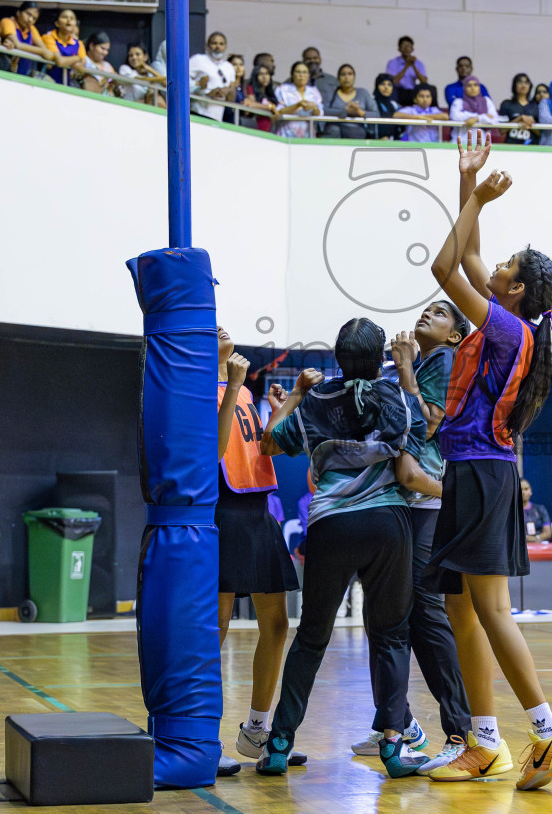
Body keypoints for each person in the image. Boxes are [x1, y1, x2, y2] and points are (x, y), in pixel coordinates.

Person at [422, 139, 552, 789]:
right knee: (461, 609)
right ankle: (484, 743)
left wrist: (477, 199)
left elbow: (444, 264)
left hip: (483, 474)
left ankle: (547, 731)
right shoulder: (509, 322)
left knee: (491, 611)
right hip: (474, 471)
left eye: (506, 265)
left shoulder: (504, 326)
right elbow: (469, 255)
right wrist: (467, 184)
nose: (496, 264)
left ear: (513, 290)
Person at [256, 319, 441, 779]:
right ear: (379, 356)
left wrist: (294, 396)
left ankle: (279, 744)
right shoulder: (397, 396)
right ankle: (395, 748)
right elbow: (426, 428)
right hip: (388, 525)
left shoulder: (316, 399)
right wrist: (405, 370)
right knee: (391, 637)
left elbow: (268, 443)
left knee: (311, 638)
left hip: (330, 526)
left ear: (337, 358)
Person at [350, 301, 475, 770]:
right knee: (385, 616)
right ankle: (397, 722)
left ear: (455, 334)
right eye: (425, 310)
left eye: (440, 313)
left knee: (426, 612)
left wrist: (403, 369)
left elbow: (430, 421)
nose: (427, 314)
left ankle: (463, 732)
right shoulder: (414, 362)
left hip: (428, 503)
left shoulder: (443, 359)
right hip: (399, 503)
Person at [213, 327, 301, 775]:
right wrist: (230, 387)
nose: (223, 328)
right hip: (222, 512)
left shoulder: (245, 390)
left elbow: (266, 445)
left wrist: (288, 403)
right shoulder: (198, 388)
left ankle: (257, 730)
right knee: (218, 628)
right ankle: (201, 738)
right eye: (213, 329)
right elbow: (211, 447)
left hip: (257, 512)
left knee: (278, 623)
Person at [323, 63, 379, 139]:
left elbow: (376, 114)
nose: (347, 77)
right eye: (343, 74)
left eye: (350, 74)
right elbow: (324, 111)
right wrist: (344, 111)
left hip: (358, 133)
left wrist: (360, 112)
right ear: (338, 79)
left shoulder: (363, 93)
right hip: (335, 134)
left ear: (354, 77)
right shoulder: (332, 93)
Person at [0, 1, 56, 77]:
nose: (30, 19)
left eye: (34, 18)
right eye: (28, 14)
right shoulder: (7, 22)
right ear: (18, 12)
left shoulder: (32, 29)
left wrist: (45, 52)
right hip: (5, 74)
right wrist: (42, 52)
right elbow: (18, 45)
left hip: (24, 75)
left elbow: (44, 49)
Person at [191, 32, 237, 120]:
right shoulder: (198, 59)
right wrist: (204, 90)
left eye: (221, 44)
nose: (218, 47)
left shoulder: (229, 67)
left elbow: (232, 92)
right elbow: (183, 81)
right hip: (198, 112)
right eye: (214, 43)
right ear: (207, 45)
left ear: (225, 46)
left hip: (218, 115)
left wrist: (226, 91)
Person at [275, 60, 324, 138]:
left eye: (305, 72)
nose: (301, 75)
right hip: (286, 134)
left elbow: (320, 113)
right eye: (298, 72)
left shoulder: (314, 91)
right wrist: (298, 105)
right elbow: (279, 111)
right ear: (292, 74)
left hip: (308, 134)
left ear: (308, 75)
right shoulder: (283, 89)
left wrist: (314, 108)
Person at [449, 75, 501, 142]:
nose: (473, 88)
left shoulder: (486, 101)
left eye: (476, 85)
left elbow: (495, 119)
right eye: (469, 85)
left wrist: (477, 118)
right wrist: (482, 116)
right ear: (464, 88)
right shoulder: (458, 102)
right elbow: (455, 117)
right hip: (461, 140)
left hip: (482, 141)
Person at [41, 10, 84, 86]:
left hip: (66, 86)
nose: (69, 20)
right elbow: (60, 61)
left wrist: (67, 61)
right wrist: (77, 57)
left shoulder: (79, 44)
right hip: (46, 84)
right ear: (57, 23)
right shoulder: (48, 38)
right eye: (65, 17)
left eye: (72, 18)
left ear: (75, 25)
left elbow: (81, 66)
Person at [386, 35, 430, 105]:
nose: (406, 48)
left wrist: (413, 65)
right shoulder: (393, 62)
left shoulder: (418, 63)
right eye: (404, 46)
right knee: (391, 89)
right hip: (398, 90)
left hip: (413, 91)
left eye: (409, 46)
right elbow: (393, 82)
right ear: (399, 49)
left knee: (429, 89)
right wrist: (406, 66)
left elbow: (424, 81)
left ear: (412, 49)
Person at [498, 73, 539, 146]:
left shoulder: (535, 106)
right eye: (520, 82)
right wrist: (520, 118)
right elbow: (502, 130)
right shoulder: (506, 104)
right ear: (514, 85)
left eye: (526, 82)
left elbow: (540, 133)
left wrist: (530, 124)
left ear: (530, 86)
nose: (523, 85)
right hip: (511, 146)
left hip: (532, 146)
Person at [242, 65, 280, 132]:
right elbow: (250, 104)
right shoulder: (250, 88)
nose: (264, 77)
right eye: (261, 74)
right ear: (255, 76)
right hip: (255, 127)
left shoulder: (271, 92)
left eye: (267, 74)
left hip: (271, 128)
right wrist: (268, 107)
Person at [79, 31, 116, 96]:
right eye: (102, 48)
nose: (105, 53)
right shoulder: (84, 60)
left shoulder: (107, 65)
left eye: (107, 50)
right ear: (92, 46)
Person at [372, 73, 402, 138]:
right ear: (377, 86)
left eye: (389, 85)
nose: (386, 87)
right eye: (382, 84)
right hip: (375, 142)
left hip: (394, 143)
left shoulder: (395, 105)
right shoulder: (372, 103)